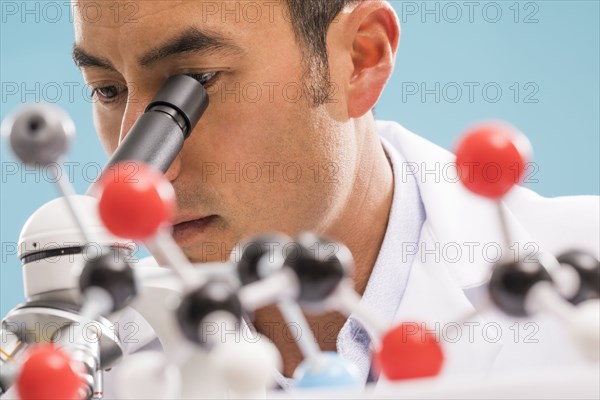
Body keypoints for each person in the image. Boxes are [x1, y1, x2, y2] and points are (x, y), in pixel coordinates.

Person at [71, 0, 599, 390]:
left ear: (360, 59)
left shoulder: (584, 284)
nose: (140, 171)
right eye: (108, 90)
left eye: (196, 78)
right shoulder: (85, 349)